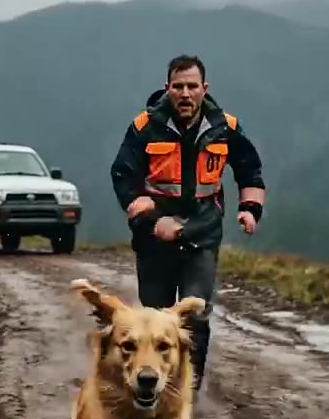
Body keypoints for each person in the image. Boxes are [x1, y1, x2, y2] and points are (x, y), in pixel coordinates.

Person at [110, 54, 266, 393]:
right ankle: (148, 386)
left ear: (204, 88)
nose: (184, 93)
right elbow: (123, 178)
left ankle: (185, 393)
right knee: (154, 322)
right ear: (167, 88)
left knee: (194, 318)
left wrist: (250, 209)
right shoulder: (143, 127)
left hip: (202, 236)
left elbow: (249, 169)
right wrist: (153, 221)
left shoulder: (226, 127)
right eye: (177, 86)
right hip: (155, 243)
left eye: (191, 86)